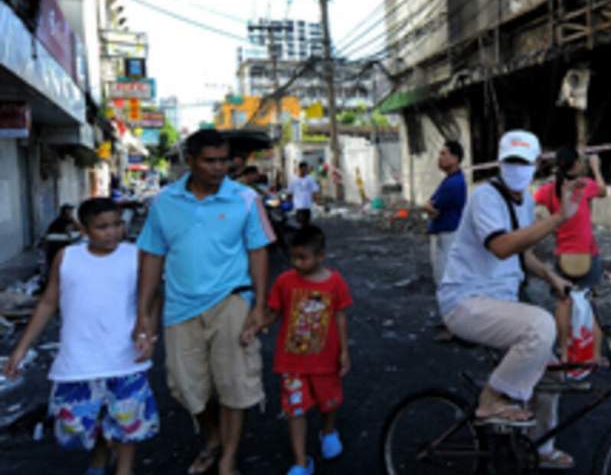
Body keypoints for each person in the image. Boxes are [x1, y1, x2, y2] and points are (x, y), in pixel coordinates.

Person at [132, 129, 275, 475]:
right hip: (180, 307)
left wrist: (258, 306)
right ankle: (212, 437)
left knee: (234, 384)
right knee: (186, 387)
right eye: (210, 161)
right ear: (190, 161)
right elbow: (152, 256)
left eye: (224, 160)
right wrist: (143, 313)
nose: (218, 168)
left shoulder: (244, 198)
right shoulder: (165, 202)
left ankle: (227, 458)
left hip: (232, 299)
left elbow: (258, 252)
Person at [437, 130, 581, 470]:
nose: (517, 168)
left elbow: (521, 253)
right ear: (501, 163)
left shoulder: (527, 201)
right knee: (540, 326)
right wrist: (559, 219)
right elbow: (501, 246)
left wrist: (551, 277)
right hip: (466, 301)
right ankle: (491, 399)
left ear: (535, 165)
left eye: (524, 162)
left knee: (549, 374)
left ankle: (541, 450)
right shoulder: (485, 196)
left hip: (499, 303)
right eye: (511, 161)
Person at [4, 198, 159, 475]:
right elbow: (48, 303)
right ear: (84, 230)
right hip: (79, 359)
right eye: (102, 227)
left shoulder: (135, 255)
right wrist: (21, 348)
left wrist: (149, 332)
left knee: (128, 423)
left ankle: (125, 469)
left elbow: (151, 298)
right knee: (76, 425)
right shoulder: (68, 257)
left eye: (116, 225)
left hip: (126, 356)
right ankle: (100, 453)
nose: (112, 232)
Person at [265, 226, 352, 475]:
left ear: (321, 255)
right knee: (295, 409)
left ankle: (328, 431)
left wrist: (344, 351)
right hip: (291, 363)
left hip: (326, 361)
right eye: (294, 257)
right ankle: (301, 461)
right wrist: (256, 326)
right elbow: (274, 311)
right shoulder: (284, 281)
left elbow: (340, 317)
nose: (297, 263)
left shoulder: (336, 282)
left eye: (303, 257)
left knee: (329, 402)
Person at [533, 148, 606, 362]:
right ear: (576, 165)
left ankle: (564, 353)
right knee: (590, 303)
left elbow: (532, 202)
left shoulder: (548, 190)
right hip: (587, 252)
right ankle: (595, 355)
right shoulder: (586, 186)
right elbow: (603, 190)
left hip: (562, 254)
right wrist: (595, 167)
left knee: (563, 303)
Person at [423, 140, 467, 287]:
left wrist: (429, 208)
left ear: (455, 159)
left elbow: (431, 207)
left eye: (443, 154)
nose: (439, 158)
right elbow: (431, 205)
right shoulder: (450, 180)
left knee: (444, 281)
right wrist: (430, 207)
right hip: (447, 235)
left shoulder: (453, 183)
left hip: (448, 237)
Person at [288, 161, 321, 228]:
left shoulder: (310, 178)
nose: (304, 171)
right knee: (300, 224)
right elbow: (290, 192)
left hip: (307, 205)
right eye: (303, 169)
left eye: (306, 169)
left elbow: (315, 190)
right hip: (298, 206)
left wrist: (317, 200)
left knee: (306, 223)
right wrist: (289, 202)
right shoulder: (293, 179)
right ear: (299, 169)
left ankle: (306, 236)